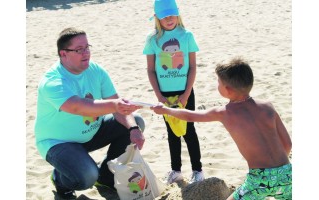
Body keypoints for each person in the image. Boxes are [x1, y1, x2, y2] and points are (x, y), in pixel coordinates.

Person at [151, 57, 292, 199]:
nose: (217, 85)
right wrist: (277, 171)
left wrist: (166, 110)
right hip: (288, 174)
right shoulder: (268, 106)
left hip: (259, 179)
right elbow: (288, 144)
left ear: (228, 90)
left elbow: (190, 116)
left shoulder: (225, 112)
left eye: (218, 82)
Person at [34, 27, 146, 199]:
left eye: (87, 47)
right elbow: (78, 107)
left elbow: (116, 105)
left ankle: (106, 178)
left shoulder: (95, 70)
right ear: (63, 54)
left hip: (91, 133)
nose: (86, 53)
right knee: (87, 176)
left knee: (135, 120)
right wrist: (116, 105)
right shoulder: (53, 81)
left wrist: (133, 129)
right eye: (79, 50)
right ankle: (60, 180)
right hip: (59, 143)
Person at [143, 0, 204, 184]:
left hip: (184, 92)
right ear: (157, 18)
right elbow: (151, 70)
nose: (169, 19)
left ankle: (198, 170)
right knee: (171, 132)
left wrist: (186, 94)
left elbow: (192, 67)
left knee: (189, 131)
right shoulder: (152, 39)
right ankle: (176, 170)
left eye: (171, 14)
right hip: (164, 94)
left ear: (178, 14)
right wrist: (159, 96)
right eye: (164, 16)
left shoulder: (187, 36)